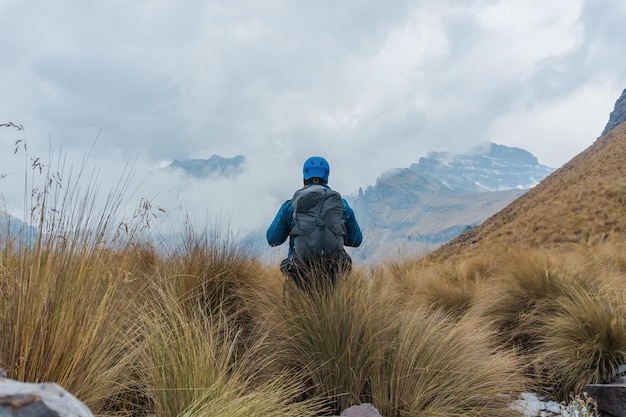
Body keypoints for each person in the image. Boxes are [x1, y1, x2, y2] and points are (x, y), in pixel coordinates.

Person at [266, 156, 363, 291]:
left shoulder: (290, 206)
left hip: (300, 275)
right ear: (327, 178)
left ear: (304, 177)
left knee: (297, 309)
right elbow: (356, 240)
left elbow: (273, 240)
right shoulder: (342, 205)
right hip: (334, 276)